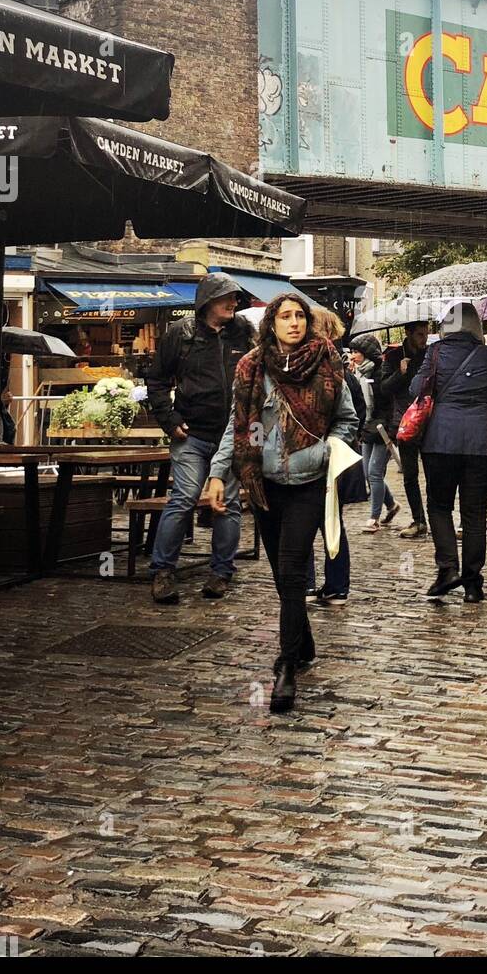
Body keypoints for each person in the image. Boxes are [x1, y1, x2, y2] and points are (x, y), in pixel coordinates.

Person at [205, 293, 358, 714]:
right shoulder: (252, 368)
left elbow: (348, 419)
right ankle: (304, 643)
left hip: (309, 482)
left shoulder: (327, 363)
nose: (294, 323)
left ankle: (286, 665)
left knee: (292, 568)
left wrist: (330, 448)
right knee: (283, 575)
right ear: (271, 324)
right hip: (265, 483)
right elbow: (237, 428)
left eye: (300, 316)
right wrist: (219, 474)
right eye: (286, 317)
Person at [145, 273, 254, 605]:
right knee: (184, 498)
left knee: (227, 504)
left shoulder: (244, 333)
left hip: (230, 434)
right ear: (207, 301)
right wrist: (169, 419)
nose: (234, 302)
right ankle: (163, 571)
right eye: (227, 297)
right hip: (191, 433)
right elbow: (157, 379)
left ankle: (221, 572)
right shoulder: (180, 334)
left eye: (236, 296)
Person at [412, 303, 487, 603]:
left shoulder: (436, 352)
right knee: (475, 512)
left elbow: (418, 387)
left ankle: (447, 568)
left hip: (441, 440)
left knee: (439, 506)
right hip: (482, 442)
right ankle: (472, 583)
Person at [304, 307, 364, 606]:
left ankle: (328, 585)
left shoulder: (333, 368)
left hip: (328, 456)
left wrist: (332, 441)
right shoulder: (339, 365)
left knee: (325, 520)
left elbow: (354, 415)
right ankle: (332, 586)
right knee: (327, 520)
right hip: (327, 454)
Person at [380, 320, 431, 538]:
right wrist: (400, 372)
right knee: (410, 475)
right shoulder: (393, 357)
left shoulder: (431, 354)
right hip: (405, 422)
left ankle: (437, 517)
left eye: (426, 334)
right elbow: (383, 389)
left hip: (429, 420)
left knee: (434, 474)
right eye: (420, 334)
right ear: (408, 333)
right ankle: (418, 519)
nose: (424, 338)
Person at [349, 333, 399, 533]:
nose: (353, 356)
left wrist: (387, 427)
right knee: (367, 472)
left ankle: (374, 517)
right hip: (368, 427)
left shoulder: (380, 373)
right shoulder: (360, 373)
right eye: (352, 351)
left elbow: (388, 401)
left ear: (367, 353)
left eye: (356, 352)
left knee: (374, 472)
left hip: (382, 428)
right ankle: (392, 505)